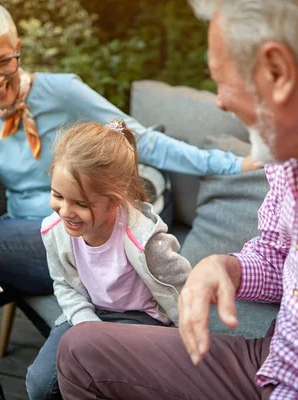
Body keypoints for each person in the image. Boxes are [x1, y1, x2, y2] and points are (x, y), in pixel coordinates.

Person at [54, 0, 298, 399]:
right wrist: (227, 268)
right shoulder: (290, 150)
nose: (221, 102)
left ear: (276, 71)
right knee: (81, 351)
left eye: (221, 80)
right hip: (276, 358)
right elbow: (281, 255)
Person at [0, 1, 260, 399]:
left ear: (17, 45)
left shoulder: (62, 90)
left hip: (75, 240)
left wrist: (231, 161)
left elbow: (141, 138)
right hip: (34, 248)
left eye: (4, 62)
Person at [25, 120, 191, 400]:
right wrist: (88, 327)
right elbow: (64, 285)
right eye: (57, 196)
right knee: (40, 385)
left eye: (81, 203)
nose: (65, 211)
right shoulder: (54, 232)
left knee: (110, 384)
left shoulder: (145, 240)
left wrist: (186, 344)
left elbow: (183, 288)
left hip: (140, 321)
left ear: (115, 201)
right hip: (88, 314)